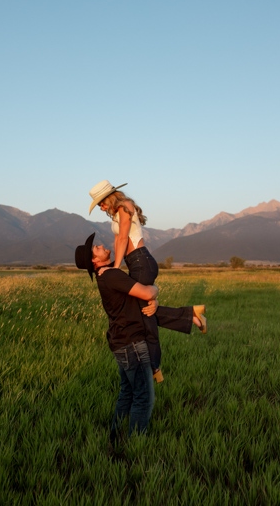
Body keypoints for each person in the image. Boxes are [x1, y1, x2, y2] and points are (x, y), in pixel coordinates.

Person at [75, 233, 206, 448]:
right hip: (132, 345)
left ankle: (115, 440)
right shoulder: (110, 275)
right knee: (144, 399)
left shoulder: (106, 276)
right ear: (94, 261)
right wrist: (155, 290)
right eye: (95, 248)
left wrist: (153, 303)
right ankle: (135, 447)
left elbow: (138, 304)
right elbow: (146, 293)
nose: (99, 245)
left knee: (127, 394)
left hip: (121, 344)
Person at [88, 180, 207, 381]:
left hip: (140, 261)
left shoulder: (126, 207)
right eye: (98, 204)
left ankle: (154, 367)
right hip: (135, 262)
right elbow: (118, 241)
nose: (101, 207)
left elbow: (124, 239)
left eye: (101, 202)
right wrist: (113, 268)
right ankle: (191, 315)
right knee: (142, 310)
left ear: (109, 197)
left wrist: (115, 269)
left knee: (145, 317)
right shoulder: (117, 214)